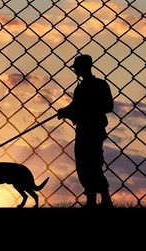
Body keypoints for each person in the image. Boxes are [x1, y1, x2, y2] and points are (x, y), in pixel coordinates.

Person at [57, 54, 114, 209]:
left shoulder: (100, 85)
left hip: (94, 129)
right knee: (83, 164)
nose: (76, 71)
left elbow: (108, 106)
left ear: (86, 67)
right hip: (83, 129)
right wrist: (65, 111)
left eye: (78, 68)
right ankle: (91, 198)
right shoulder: (81, 88)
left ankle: (104, 198)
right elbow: (75, 107)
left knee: (93, 163)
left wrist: (86, 109)